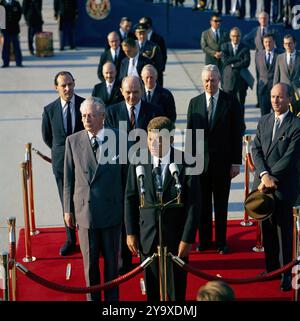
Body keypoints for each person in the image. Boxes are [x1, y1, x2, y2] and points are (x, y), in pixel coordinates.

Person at [125, 116, 200, 301]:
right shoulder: (138, 160)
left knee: (176, 292)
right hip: (147, 239)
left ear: (171, 139)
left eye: (159, 139)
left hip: (176, 240)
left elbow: (194, 205)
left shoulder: (187, 162)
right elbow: (130, 197)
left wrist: (187, 238)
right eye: (150, 139)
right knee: (151, 291)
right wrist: (131, 232)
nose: (153, 144)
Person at [64, 97, 126, 301]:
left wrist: (127, 210)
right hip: (85, 215)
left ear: (102, 117)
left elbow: (127, 179)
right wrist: (67, 210)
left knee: (111, 266)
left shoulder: (120, 139)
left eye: (90, 115)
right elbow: (68, 180)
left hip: (111, 213)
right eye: (83, 115)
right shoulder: (72, 141)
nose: (86, 119)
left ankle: (112, 304)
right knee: (90, 267)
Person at [186, 64, 243, 254]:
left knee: (220, 205)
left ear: (219, 80)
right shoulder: (195, 103)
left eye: (213, 80)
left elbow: (237, 133)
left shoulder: (230, 102)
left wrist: (236, 162)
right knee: (202, 206)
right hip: (200, 164)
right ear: (203, 82)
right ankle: (204, 241)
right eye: (206, 81)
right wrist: (189, 162)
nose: (209, 83)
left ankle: (221, 242)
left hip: (223, 164)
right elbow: (190, 135)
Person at [251, 83, 300, 291]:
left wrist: (270, 177)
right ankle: (271, 269)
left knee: (284, 233)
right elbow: (256, 149)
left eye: (280, 97)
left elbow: (289, 157)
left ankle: (285, 274)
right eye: (272, 97)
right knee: (267, 229)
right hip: (263, 187)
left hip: (283, 188)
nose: (275, 101)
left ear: (289, 99)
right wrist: (263, 175)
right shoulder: (264, 120)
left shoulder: (296, 125)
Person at [42, 71, 85, 256]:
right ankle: (70, 239)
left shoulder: (84, 105)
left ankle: (85, 237)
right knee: (65, 200)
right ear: (56, 88)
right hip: (60, 163)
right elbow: (47, 137)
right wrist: (62, 152)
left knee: (84, 199)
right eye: (63, 85)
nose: (67, 88)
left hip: (83, 161)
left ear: (74, 83)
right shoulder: (49, 110)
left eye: (70, 84)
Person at [221, 27, 251, 121]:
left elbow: (246, 62)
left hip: (241, 82)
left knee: (240, 106)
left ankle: (240, 126)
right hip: (228, 82)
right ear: (230, 36)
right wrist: (238, 58)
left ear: (240, 36)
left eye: (238, 36)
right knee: (227, 106)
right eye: (233, 36)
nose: (235, 38)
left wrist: (233, 64)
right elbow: (225, 61)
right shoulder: (224, 46)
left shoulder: (245, 47)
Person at [273, 34, 300, 116]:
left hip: (297, 93)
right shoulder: (280, 58)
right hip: (283, 93)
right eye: (285, 43)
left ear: (295, 43)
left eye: (290, 43)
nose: (288, 45)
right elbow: (276, 77)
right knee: (284, 115)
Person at [255, 33, 282, 115]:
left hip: (277, 90)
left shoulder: (280, 54)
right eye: (266, 42)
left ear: (274, 42)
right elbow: (258, 73)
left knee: (278, 114)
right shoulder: (258, 55)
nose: (268, 44)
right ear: (263, 43)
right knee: (264, 115)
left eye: (270, 42)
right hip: (263, 90)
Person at [139, 16, 167, 85]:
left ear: (148, 26)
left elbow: (163, 56)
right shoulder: (137, 39)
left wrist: (158, 71)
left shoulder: (158, 39)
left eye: (141, 25)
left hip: (155, 76)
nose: (139, 27)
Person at [0, 0, 23, 67]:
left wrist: (14, 22)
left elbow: (19, 14)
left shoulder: (16, 3)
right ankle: (5, 63)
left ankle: (19, 62)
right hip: (5, 29)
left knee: (16, 46)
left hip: (14, 28)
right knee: (5, 46)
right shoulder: (2, 3)